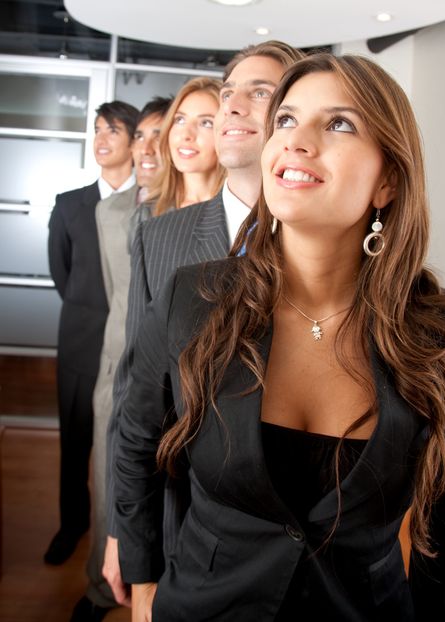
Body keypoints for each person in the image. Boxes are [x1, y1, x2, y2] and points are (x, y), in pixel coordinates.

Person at [114, 53, 445, 621]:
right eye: (287, 120)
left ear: (388, 180)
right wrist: (142, 578)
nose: (296, 141)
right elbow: (135, 444)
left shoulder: (435, 335)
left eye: (338, 123)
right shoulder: (191, 298)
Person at [103, 41, 305, 608]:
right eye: (228, 91)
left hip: (302, 555)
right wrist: (129, 543)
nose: (233, 105)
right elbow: (134, 409)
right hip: (179, 529)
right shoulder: (162, 237)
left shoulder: (331, 245)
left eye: (260, 92)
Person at [70, 97, 172, 622]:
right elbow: (117, 297)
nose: (148, 147)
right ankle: (99, 589)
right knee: (108, 482)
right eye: (141, 136)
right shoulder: (109, 211)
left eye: (161, 134)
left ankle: (157, 588)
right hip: (117, 371)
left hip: (174, 378)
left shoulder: (189, 210)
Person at [46, 100, 139, 565]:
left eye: (114, 130)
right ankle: (72, 524)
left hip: (132, 349)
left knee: (124, 447)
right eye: (97, 129)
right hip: (81, 344)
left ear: (134, 141)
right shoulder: (69, 205)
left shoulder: (151, 204)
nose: (102, 138)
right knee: (75, 442)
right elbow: (61, 275)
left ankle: (119, 534)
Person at [149, 76, 225, 214]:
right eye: (180, 120)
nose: (186, 135)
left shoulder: (245, 212)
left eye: (206, 123)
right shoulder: (147, 213)